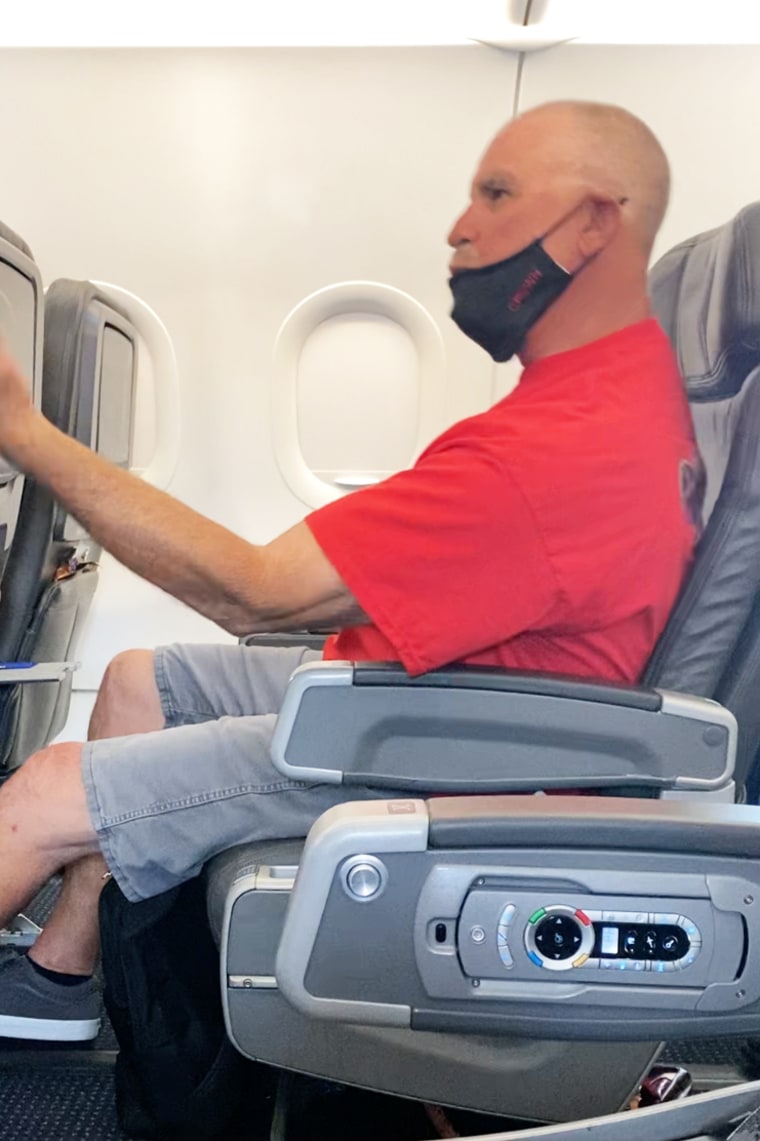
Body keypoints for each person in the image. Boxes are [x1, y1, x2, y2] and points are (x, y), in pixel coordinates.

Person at [0, 99, 701, 1041]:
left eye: (497, 195)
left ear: (590, 226)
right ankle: (61, 977)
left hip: (450, 744)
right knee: (137, 680)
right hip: (440, 689)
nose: (460, 225)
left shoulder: (560, 452)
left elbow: (251, 590)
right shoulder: (602, 395)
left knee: (45, 788)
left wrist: (26, 435)